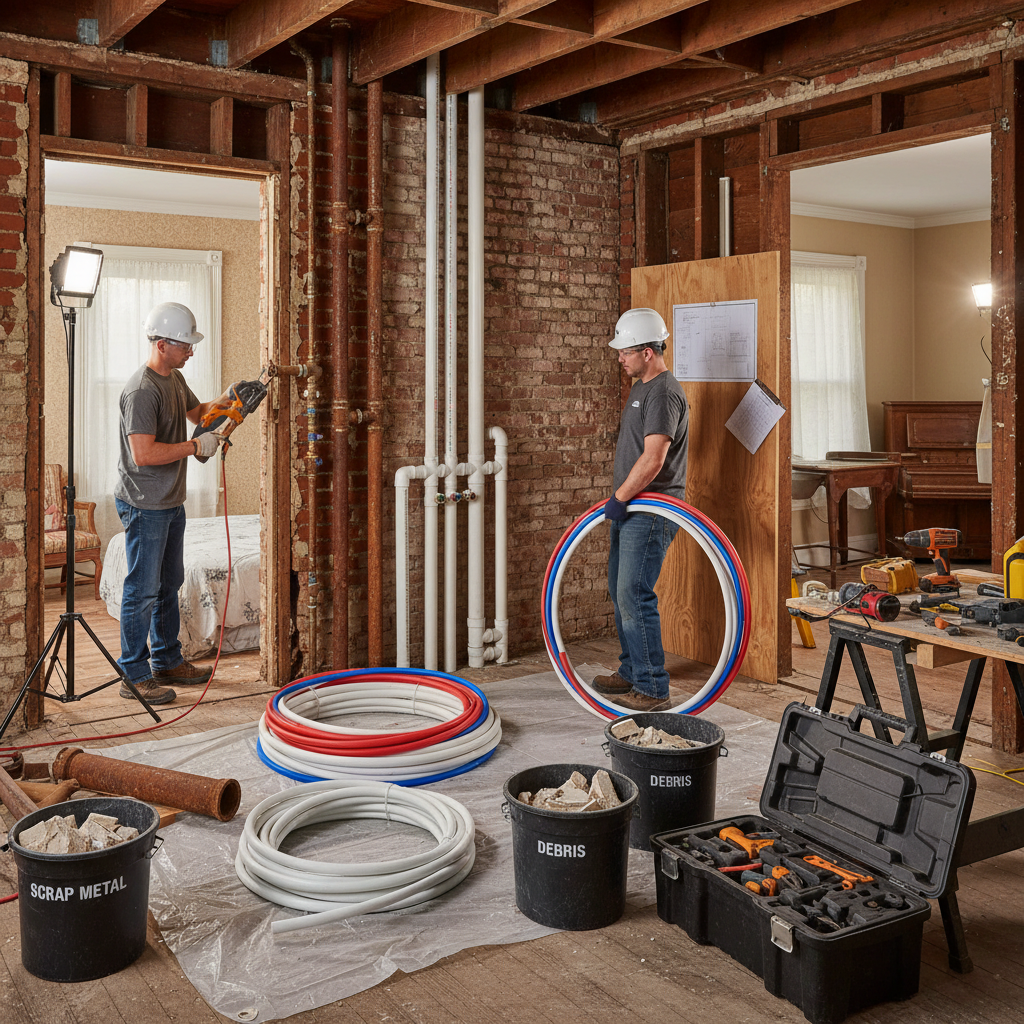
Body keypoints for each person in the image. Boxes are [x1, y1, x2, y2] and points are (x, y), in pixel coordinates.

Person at [114, 301, 231, 706]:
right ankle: (133, 673)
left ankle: (166, 660)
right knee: (142, 590)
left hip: (169, 502)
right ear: (162, 344)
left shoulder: (174, 380)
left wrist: (231, 401)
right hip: (144, 504)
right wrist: (196, 444)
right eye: (185, 345)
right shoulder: (142, 391)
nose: (191, 351)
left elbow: (200, 412)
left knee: (169, 584)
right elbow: (143, 454)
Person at [591, 307, 688, 712]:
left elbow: (653, 459)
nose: (620, 358)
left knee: (634, 592)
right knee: (620, 590)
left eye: (626, 351)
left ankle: (651, 688)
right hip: (631, 506)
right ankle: (631, 670)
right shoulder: (642, 387)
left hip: (650, 511)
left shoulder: (664, 392)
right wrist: (620, 501)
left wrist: (618, 499)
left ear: (648, 352)